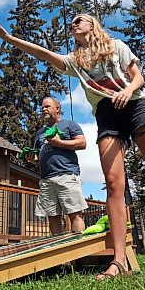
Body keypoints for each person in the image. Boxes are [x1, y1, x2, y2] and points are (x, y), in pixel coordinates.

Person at [0, 14, 145, 278]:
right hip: (107, 116)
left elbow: (138, 78)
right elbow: (42, 53)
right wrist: (8, 38)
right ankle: (119, 261)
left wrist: (126, 90)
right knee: (112, 183)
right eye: (71, 23)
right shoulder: (75, 61)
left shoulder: (116, 46)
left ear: (92, 25)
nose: (73, 24)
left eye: (79, 20)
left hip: (134, 106)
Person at [27, 97, 88, 235]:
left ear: (57, 109)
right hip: (46, 179)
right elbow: (38, 155)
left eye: (47, 106)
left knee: (74, 214)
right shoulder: (40, 133)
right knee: (52, 216)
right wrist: (33, 159)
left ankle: (80, 253)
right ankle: (62, 254)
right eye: (42, 107)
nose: (43, 109)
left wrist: (58, 143)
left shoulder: (69, 125)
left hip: (66, 174)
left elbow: (82, 143)